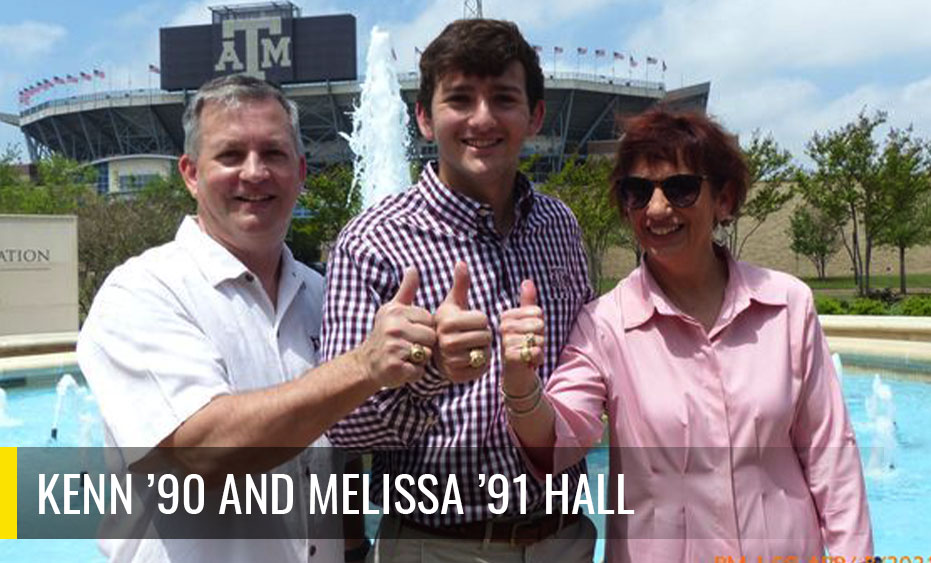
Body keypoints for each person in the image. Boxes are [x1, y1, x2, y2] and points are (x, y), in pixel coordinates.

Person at [77, 75, 432, 563]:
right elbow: (201, 451)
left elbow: (340, 448)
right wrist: (363, 367)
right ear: (190, 173)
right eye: (229, 155)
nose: (254, 172)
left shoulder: (323, 294)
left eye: (273, 154)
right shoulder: (141, 292)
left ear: (301, 171)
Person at [500, 107, 874, 562]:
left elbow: (830, 453)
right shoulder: (603, 325)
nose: (657, 209)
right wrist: (520, 386)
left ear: (724, 198)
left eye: (680, 188)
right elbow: (558, 443)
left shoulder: (787, 305)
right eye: (638, 192)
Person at [322, 18, 595, 563]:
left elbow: (589, 370)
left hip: (563, 538)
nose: (483, 119)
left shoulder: (560, 228)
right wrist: (429, 371)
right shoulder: (371, 243)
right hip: (439, 545)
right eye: (460, 99)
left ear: (534, 115)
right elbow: (341, 426)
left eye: (504, 98)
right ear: (424, 117)